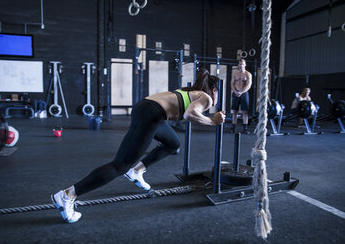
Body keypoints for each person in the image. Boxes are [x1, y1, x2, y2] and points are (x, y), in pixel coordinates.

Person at [51, 68, 226, 223]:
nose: (216, 99)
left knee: (173, 143)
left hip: (150, 111)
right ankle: (67, 195)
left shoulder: (192, 92)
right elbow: (190, 114)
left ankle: (136, 170)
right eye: (218, 94)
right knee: (119, 165)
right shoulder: (206, 97)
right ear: (214, 90)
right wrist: (213, 121)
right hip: (151, 114)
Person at [230, 59, 252, 134]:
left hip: (244, 93)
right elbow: (232, 84)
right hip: (235, 93)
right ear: (238, 65)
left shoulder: (248, 74)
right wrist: (235, 91)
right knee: (234, 111)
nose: (241, 65)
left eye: (242, 64)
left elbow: (248, 85)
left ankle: (245, 128)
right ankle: (233, 127)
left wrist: (242, 92)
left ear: (245, 65)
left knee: (245, 112)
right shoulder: (235, 74)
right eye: (239, 64)